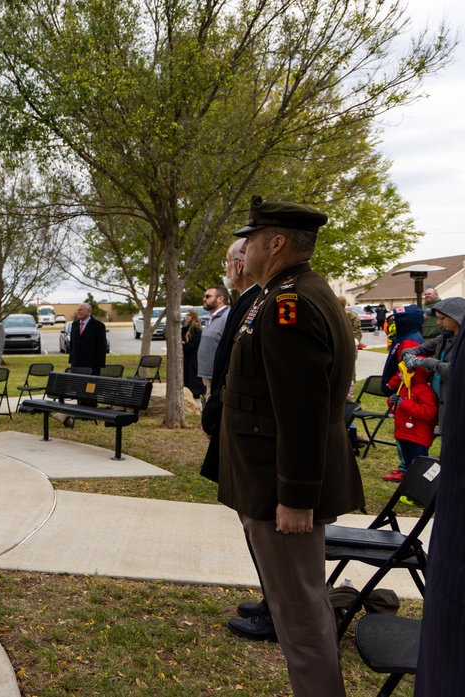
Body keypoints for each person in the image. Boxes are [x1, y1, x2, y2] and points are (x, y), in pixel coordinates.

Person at [219, 195, 364, 697]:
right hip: (270, 482)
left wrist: (296, 497)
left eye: (252, 238)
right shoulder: (285, 291)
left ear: (275, 242)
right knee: (299, 607)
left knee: (299, 617)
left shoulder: (292, 303)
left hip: (280, 490)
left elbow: (301, 412)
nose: (245, 248)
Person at [199, 238, 273, 641]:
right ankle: (271, 600)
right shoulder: (250, 300)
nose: (226, 267)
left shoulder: (258, 301)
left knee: (259, 524)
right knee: (251, 522)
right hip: (233, 419)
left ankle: (277, 609)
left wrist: (216, 407)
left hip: (250, 428)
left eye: (228, 260)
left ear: (241, 263)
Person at [415, 296, 465, 696]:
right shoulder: (447, 337)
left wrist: (429, 365)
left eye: (442, 316)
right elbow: (428, 347)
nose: (438, 321)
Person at [402, 296, 463, 434]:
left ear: (456, 317)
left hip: (457, 400)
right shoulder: (444, 337)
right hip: (442, 400)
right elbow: (419, 349)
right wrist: (407, 355)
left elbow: (455, 368)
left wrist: (426, 362)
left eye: (442, 318)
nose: (438, 322)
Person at [382, 358, 438, 482]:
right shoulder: (405, 388)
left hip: (418, 436)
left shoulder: (424, 391)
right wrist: (391, 401)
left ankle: (418, 483)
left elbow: (428, 412)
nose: (400, 376)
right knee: (407, 458)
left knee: (417, 462)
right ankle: (406, 475)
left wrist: (404, 404)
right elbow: (397, 408)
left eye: (402, 372)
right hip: (404, 433)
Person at [380, 304, 424, 391]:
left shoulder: (410, 341)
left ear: (406, 322)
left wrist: (391, 385)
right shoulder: (404, 336)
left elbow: (406, 369)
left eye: (398, 320)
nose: (395, 322)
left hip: (402, 389)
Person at [197, 285, 230, 386]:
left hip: (220, 378)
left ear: (220, 299)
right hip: (210, 377)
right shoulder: (211, 318)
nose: (204, 299)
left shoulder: (227, 317)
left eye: (207, 296)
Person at [68, 302, 107, 375]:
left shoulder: (98, 326)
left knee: (90, 385)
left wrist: (100, 364)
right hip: (76, 363)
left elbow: (102, 346)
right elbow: (72, 344)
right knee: (77, 384)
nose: (78, 312)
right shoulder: (74, 324)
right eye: (77, 310)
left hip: (91, 364)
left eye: (81, 310)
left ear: (88, 311)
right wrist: (71, 359)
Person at [181, 308, 204, 409]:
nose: (187, 316)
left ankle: (197, 400)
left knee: (194, 378)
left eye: (189, 315)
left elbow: (190, 345)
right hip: (186, 358)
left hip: (193, 357)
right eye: (186, 315)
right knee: (187, 377)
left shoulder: (196, 330)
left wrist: (184, 344)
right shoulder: (186, 328)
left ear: (193, 316)